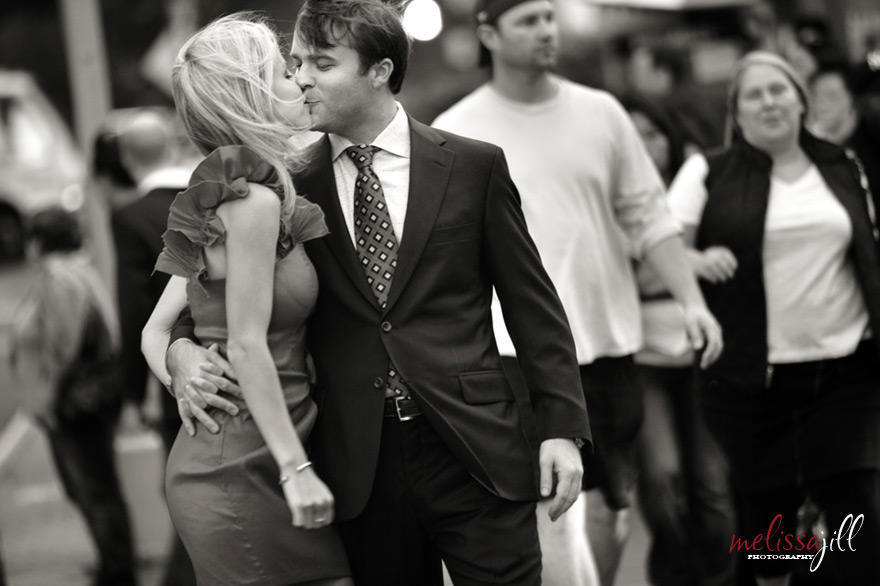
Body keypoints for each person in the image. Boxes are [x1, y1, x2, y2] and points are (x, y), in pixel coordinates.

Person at [164, 1, 591, 584]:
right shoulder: (286, 185)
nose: (302, 78)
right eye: (295, 64)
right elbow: (216, 292)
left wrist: (563, 429)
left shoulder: (472, 166)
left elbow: (534, 309)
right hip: (356, 463)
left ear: (379, 70)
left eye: (321, 62)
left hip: (475, 448)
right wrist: (179, 348)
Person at [431, 2, 723, 585]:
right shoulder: (455, 129)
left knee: (614, 507)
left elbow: (649, 216)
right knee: (550, 508)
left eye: (548, 17)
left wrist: (692, 299)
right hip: (512, 356)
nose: (546, 30)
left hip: (608, 343)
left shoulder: (603, 112)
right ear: (488, 33)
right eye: (528, 21)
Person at [140, 14, 352, 585]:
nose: (303, 79)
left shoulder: (242, 193)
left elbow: (155, 333)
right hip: (245, 467)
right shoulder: (248, 201)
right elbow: (245, 343)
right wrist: (296, 469)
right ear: (251, 95)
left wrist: (182, 365)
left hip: (259, 453)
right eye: (286, 72)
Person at [668, 51, 880, 585]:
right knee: (770, 526)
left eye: (779, 89)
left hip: (844, 366)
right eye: (754, 95)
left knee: (856, 508)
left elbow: (868, 251)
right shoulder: (707, 172)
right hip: (752, 377)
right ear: (735, 113)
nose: (769, 101)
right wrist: (695, 260)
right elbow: (659, 251)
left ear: (801, 99)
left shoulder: (842, 165)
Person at [623, 95, 736, 586]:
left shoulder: (699, 185)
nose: (644, 145)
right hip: (641, 358)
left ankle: (720, 576)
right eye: (633, 136)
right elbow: (635, 268)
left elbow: (727, 259)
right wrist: (686, 261)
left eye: (651, 132)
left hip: (701, 354)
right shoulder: (616, 198)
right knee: (662, 479)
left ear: (670, 135)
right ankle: (675, 573)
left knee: (711, 483)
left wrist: (668, 263)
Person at [27, 207, 136, 586]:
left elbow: (63, 347)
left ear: (38, 241)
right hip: (91, 395)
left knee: (93, 487)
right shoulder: (78, 269)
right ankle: (115, 563)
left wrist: (44, 400)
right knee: (98, 484)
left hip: (77, 400)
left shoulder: (59, 278)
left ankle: (117, 570)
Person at [111, 109, 197, 586]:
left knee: (184, 486)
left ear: (126, 157)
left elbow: (134, 310)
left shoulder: (129, 216)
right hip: (223, 347)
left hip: (170, 365)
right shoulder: (205, 195)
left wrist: (131, 391)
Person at [809, 61, 880, 216]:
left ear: (850, 98)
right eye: (815, 95)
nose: (821, 103)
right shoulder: (807, 146)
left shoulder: (873, 137)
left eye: (831, 95)